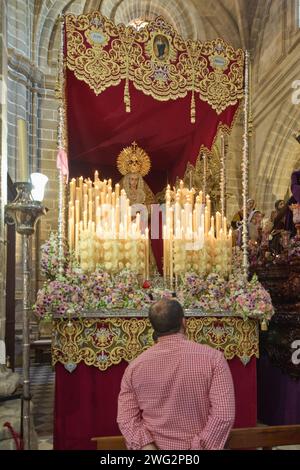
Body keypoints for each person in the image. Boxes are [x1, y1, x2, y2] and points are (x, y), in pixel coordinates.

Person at [117, 299, 235, 450]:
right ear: (184, 323)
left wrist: (147, 446)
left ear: (153, 328)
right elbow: (223, 415)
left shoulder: (135, 367)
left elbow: (126, 418)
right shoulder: (213, 359)